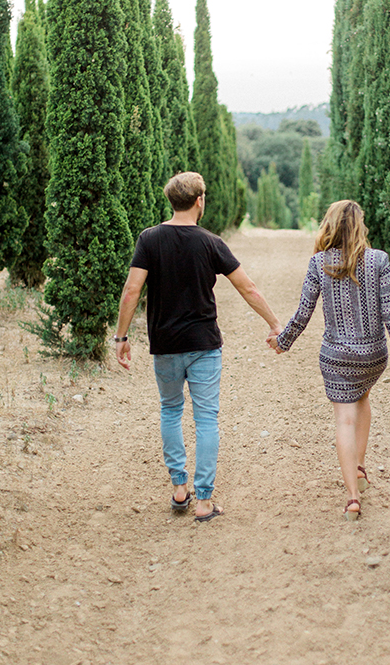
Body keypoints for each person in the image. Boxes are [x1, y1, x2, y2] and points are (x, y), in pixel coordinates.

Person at [114, 171, 282, 521]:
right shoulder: (211, 242)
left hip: (165, 344)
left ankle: (179, 488)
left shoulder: (149, 239)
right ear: (199, 201)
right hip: (204, 344)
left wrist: (122, 337)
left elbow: (132, 291)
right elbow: (247, 288)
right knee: (206, 419)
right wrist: (273, 323)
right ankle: (204, 501)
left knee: (170, 410)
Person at [267, 200, 390, 520]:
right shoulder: (379, 260)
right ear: (360, 225)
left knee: (344, 419)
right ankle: (359, 467)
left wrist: (282, 343)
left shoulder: (319, 263)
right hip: (373, 356)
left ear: (329, 225)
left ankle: (353, 498)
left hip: (336, 357)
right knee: (363, 399)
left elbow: (303, 313)